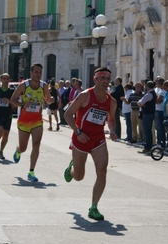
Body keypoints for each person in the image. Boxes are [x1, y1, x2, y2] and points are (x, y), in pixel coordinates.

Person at [63, 67, 117, 220]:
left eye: (108, 79)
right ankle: (72, 169)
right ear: (95, 79)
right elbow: (67, 114)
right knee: (79, 176)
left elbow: (111, 119)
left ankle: (94, 207)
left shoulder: (111, 101)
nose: (105, 82)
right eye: (102, 78)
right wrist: (78, 132)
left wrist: (112, 130)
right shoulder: (85, 96)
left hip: (98, 139)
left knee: (102, 171)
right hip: (81, 138)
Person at [10, 62, 55, 182]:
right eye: (36, 72)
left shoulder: (44, 86)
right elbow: (13, 100)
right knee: (24, 148)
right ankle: (18, 150)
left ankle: (31, 171)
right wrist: (23, 104)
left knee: (36, 144)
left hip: (37, 121)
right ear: (31, 73)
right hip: (24, 121)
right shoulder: (24, 85)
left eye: (40, 72)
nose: (38, 74)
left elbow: (47, 100)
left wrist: (50, 100)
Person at [0, 73, 14, 160]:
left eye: (7, 79)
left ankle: (1, 151)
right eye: (4, 78)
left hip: (8, 115)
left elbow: (15, 103)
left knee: (6, 135)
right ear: (1, 80)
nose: (5, 80)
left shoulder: (12, 91)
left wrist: (8, 101)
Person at [137, 80, 157, 154]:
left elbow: (140, 103)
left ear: (147, 87)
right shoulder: (153, 93)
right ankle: (149, 146)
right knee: (149, 131)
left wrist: (141, 104)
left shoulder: (149, 94)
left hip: (147, 114)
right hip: (151, 113)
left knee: (147, 131)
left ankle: (147, 147)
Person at [154, 77, 166, 147]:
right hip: (158, 109)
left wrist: (154, 99)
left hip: (160, 110)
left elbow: (158, 101)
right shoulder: (160, 90)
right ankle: (159, 141)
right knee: (158, 127)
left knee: (160, 127)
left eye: (157, 83)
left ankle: (161, 142)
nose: (156, 84)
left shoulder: (163, 91)